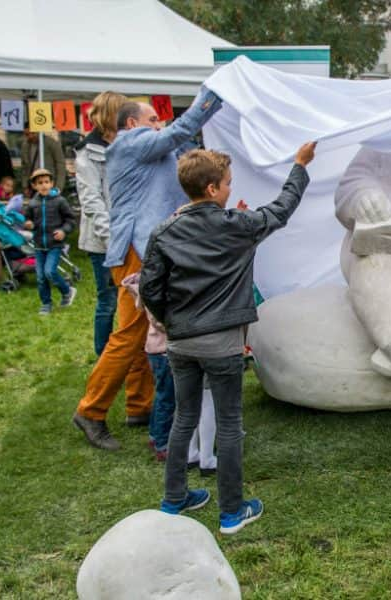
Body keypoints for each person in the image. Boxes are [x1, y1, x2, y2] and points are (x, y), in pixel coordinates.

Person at [140, 143, 316, 534]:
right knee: (230, 424)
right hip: (221, 344)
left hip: (181, 343)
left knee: (183, 418)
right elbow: (281, 209)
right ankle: (232, 513)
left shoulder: (163, 231)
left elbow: (150, 289)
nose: (228, 188)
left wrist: (172, 321)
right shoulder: (238, 225)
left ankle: (174, 501)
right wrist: (299, 165)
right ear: (211, 189)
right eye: (227, 184)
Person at [72, 91, 222, 451]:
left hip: (145, 249)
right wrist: (213, 96)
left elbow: (182, 142)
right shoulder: (131, 143)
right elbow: (178, 132)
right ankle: (91, 410)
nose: (160, 124)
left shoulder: (146, 147)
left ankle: (140, 406)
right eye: (153, 119)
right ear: (131, 124)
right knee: (128, 333)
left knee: (142, 332)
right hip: (137, 251)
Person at [75, 91, 127, 356]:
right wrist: (111, 240)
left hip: (129, 234)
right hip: (103, 241)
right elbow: (91, 202)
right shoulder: (87, 153)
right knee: (108, 301)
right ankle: (104, 356)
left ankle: (130, 354)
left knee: (132, 300)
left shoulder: (126, 144)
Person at [121, 273, 175, 461]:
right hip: (163, 350)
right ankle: (162, 443)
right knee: (168, 398)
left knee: (162, 396)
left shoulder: (152, 283)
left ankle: (155, 435)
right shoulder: (156, 288)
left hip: (158, 349)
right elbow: (159, 321)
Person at [22, 169, 76, 315]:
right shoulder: (33, 203)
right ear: (34, 186)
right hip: (39, 245)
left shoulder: (60, 201)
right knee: (40, 276)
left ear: (52, 183)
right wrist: (28, 224)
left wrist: (63, 231)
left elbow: (71, 220)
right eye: (40, 183)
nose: (44, 185)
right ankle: (46, 303)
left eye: (47, 182)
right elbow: (27, 219)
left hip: (55, 244)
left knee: (50, 271)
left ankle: (67, 291)